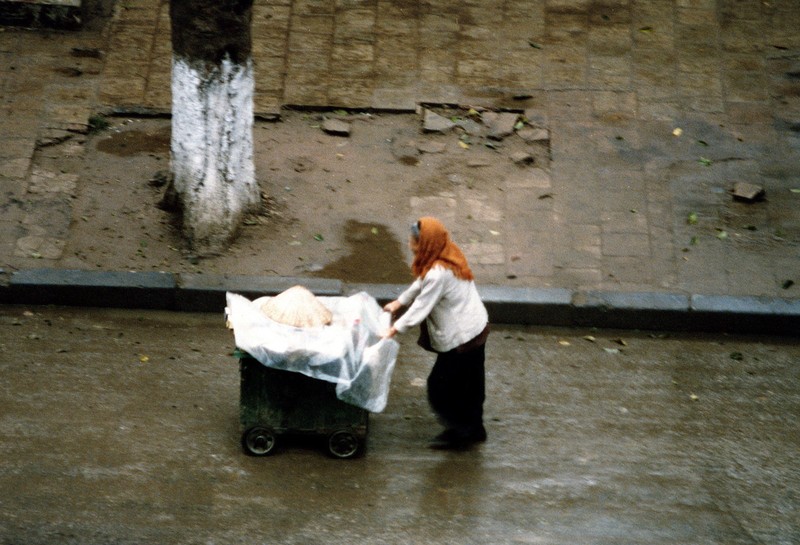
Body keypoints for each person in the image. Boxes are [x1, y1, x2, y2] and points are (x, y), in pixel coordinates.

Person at [383, 217, 490, 450]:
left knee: (440, 387)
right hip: (477, 328)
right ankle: (475, 429)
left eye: (413, 240)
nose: (409, 243)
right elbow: (422, 282)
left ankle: (462, 433)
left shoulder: (437, 273)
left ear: (424, 245)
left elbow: (422, 305)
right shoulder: (445, 253)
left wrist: (394, 328)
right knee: (471, 384)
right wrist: (399, 302)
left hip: (462, 338)